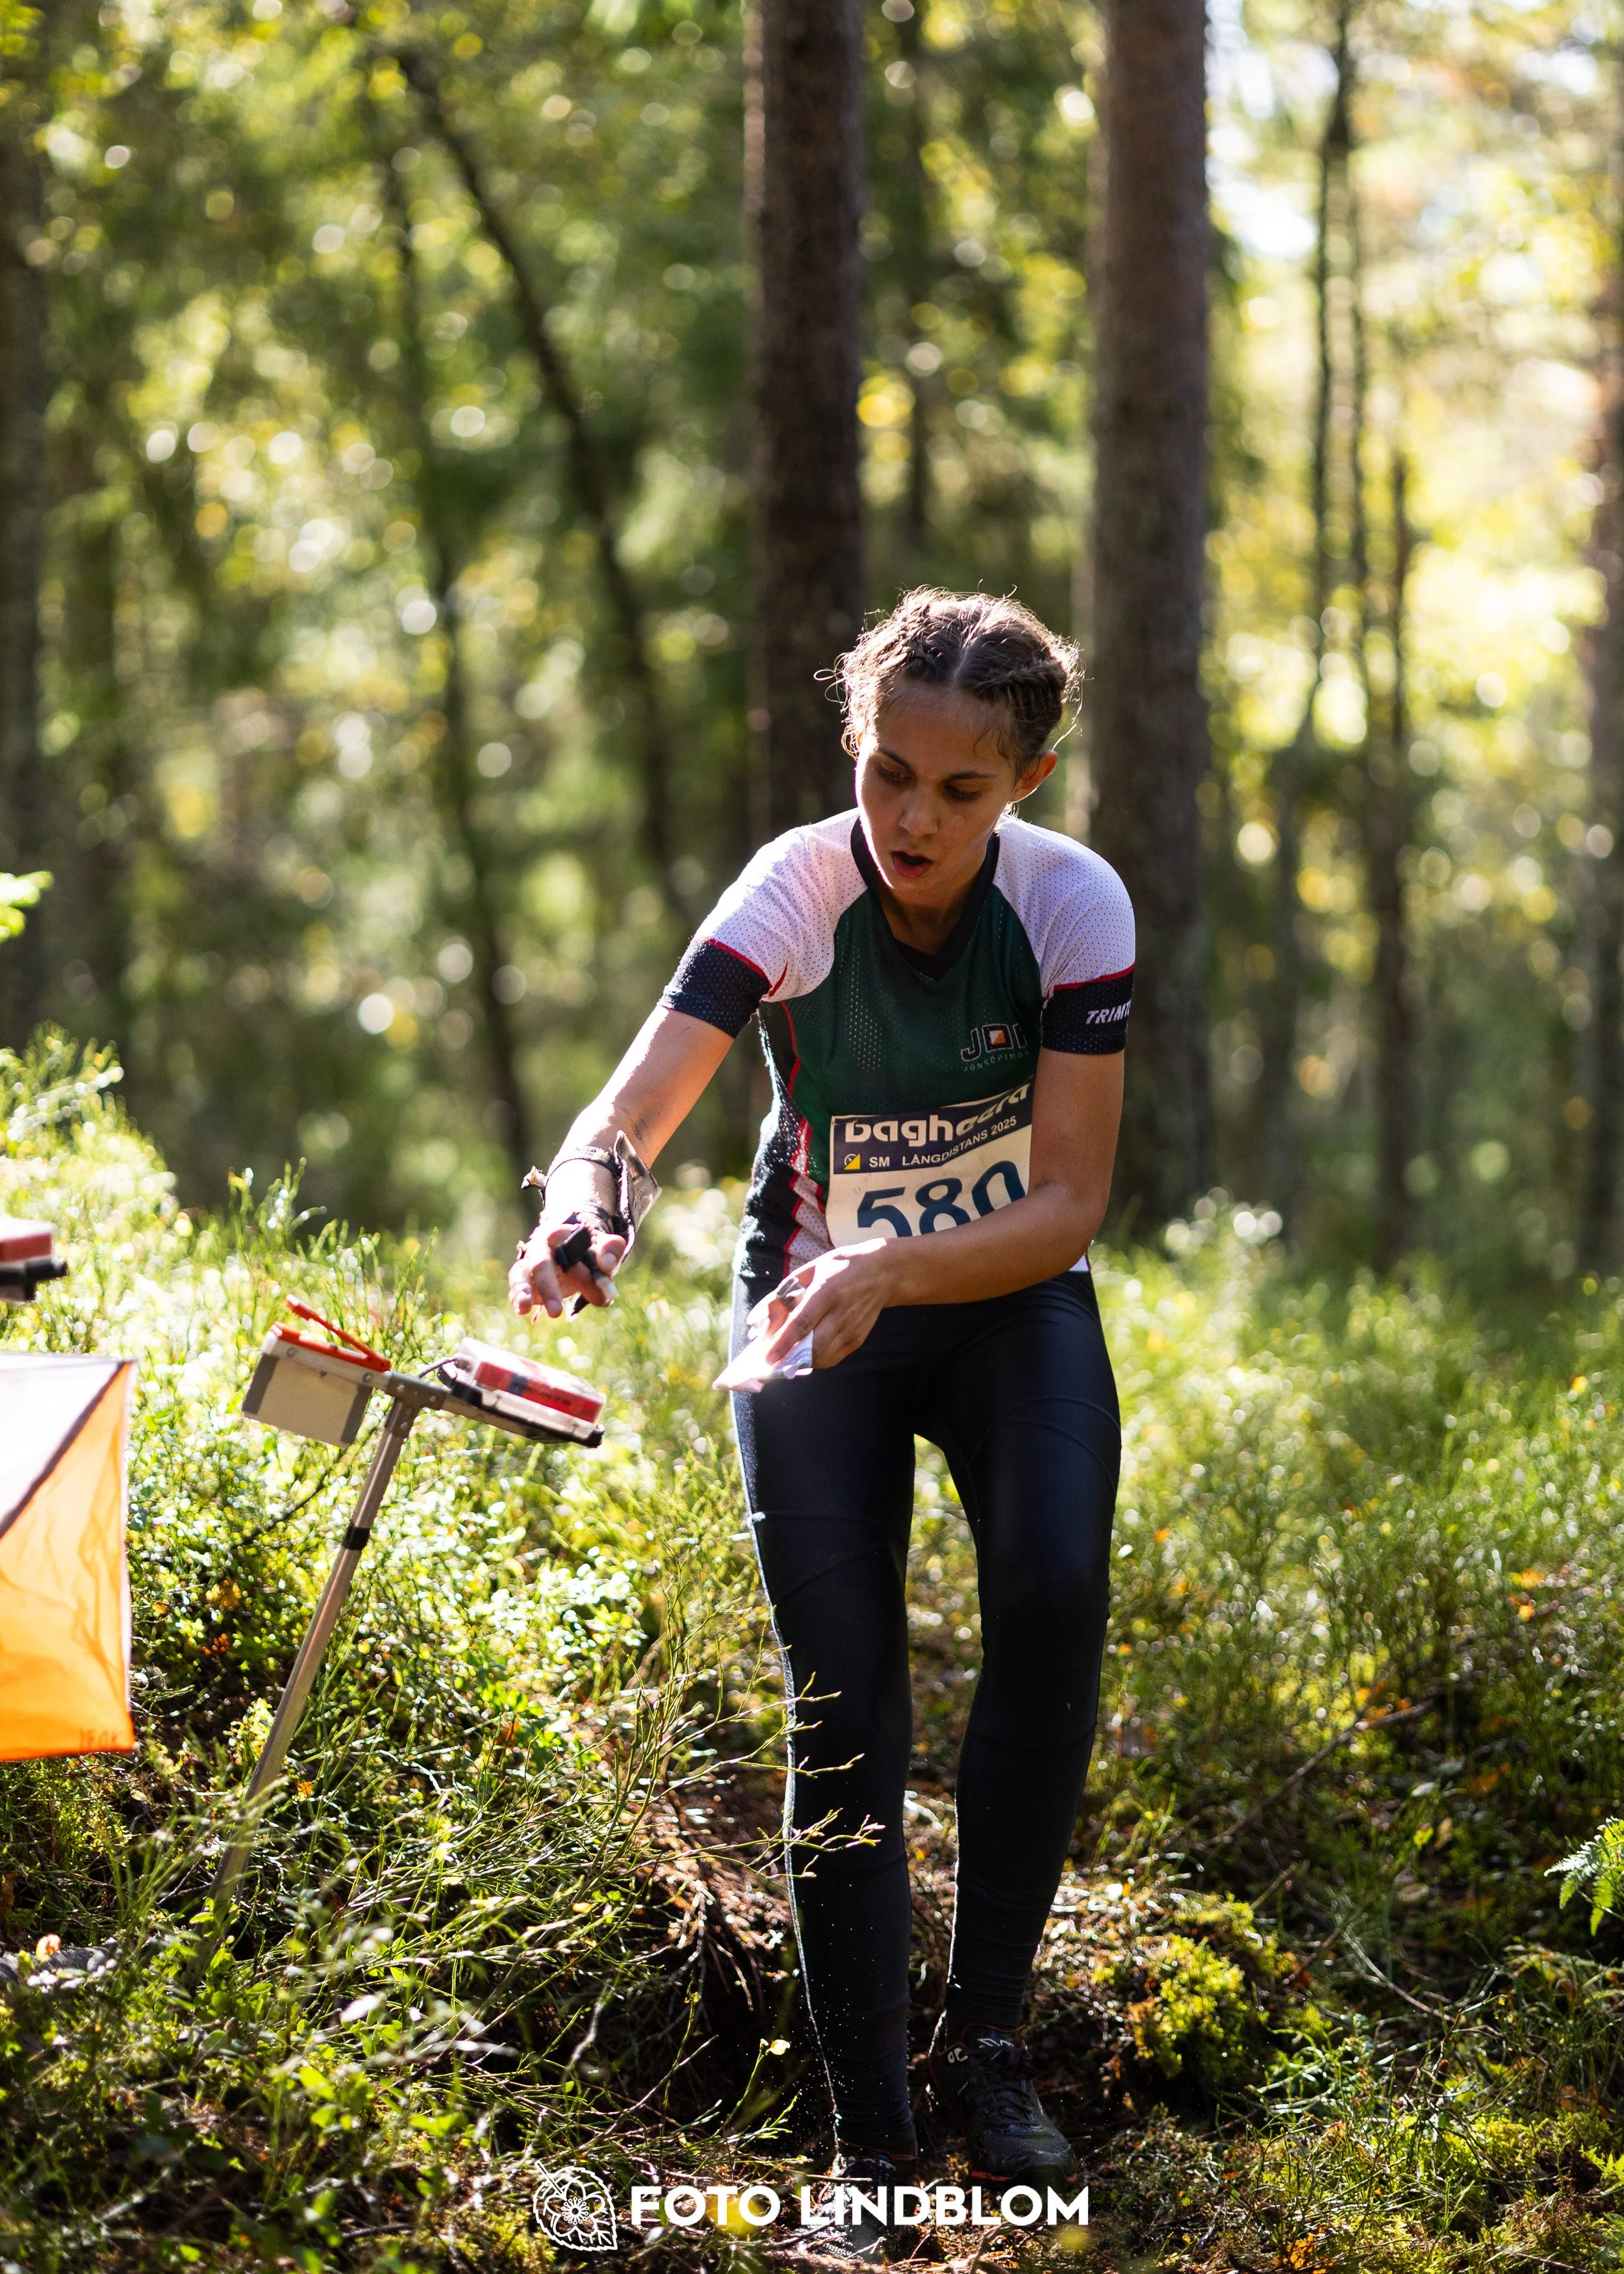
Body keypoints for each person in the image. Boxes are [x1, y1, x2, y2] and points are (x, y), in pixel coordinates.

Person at [510, 589, 1130, 2263]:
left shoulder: (1074, 911)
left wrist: (900, 1265)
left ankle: (990, 2044)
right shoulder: (797, 890)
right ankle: (870, 2121)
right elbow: (624, 1117)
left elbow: (1069, 1204)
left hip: (996, 1296)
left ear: (1027, 783)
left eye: (958, 790)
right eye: (886, 774)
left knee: (1058, 1592)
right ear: (854, 752)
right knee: (844, 1686)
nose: (912, 818)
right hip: (812, 1310)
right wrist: (591, 1208)